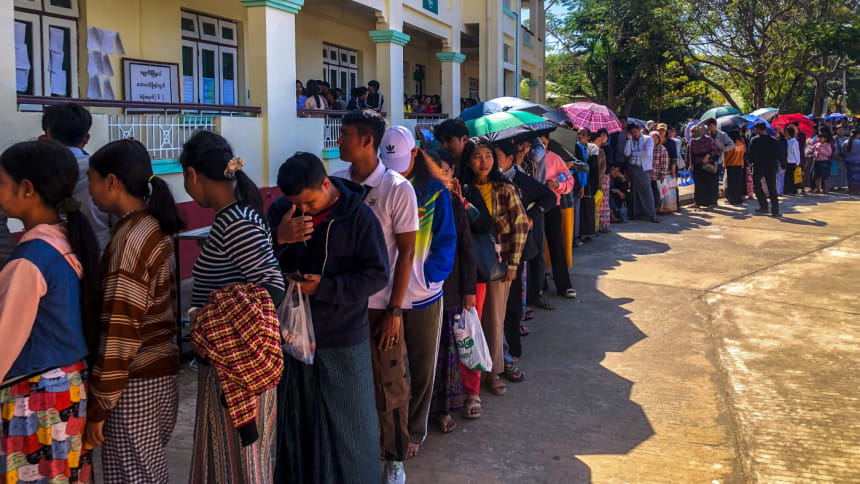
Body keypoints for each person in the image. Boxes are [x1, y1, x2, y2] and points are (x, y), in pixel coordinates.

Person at [268, 152, 388, 484]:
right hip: (292, 337)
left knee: (349, 427)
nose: (303, 210)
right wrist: (280, 239)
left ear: (325, 184)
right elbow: (260, 265)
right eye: (296, 204)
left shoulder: (358, 216)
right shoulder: (283, 211)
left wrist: (327, 288)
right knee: (299, 422)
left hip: (342, 337)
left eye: (308, 202)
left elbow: (377, 275)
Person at [181, 131, 285, 484]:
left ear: (193, 174)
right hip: (229, 368)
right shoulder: (233, 217)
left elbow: (272, 288)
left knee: (242, 466)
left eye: (185, 178)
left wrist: (212, 319)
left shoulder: (237, 222)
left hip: (238, 372)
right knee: (229, 463)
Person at [82, 139, 185, 483]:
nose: (91, 190)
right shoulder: (150, 227)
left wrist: (101, 403)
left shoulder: (130, 239)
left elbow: (120, 331)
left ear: (112, 182)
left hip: (136, 384)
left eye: (93, 180)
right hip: (159, 376)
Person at [0, 140, 100, 484]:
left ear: (27, 189)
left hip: (35, 396)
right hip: (67, 391)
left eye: (1, 182)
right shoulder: (65, 240)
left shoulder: (30, 261)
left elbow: (3, 344)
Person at [332, 110, 418, 483]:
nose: (339, 139)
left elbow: (406, 254)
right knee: (346, 385)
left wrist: (395, 310)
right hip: (341, 304)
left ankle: (394, 457)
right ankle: (354, 454)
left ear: (367, 140)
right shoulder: (334, 183)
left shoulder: (397, 188)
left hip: (381, 305)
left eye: (346, 133)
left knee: (390, 384)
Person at [378, 126, 456, 458]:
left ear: (414, 154)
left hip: (424, 296)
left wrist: (429, 277)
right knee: (389, 369)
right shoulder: (378, 186)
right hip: (383, 296)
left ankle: (414, 429)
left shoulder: (436, 191)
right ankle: (388, 429)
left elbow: (446, 239)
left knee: (422, 367)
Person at [460, 138, 530, 398]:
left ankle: (493, 373)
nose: (484, 161)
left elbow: (521, 225)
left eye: (488, 155)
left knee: (493, 321)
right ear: (468, 161)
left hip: (498, 264)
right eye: (478, 156)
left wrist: (513, 263)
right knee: (469, 323)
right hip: (469, 264)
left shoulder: (504, 188)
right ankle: (469, 378)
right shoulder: (463, 189)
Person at [495, 139, 554, 383]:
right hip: (494, 250)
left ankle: (513, 352)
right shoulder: (486, 182)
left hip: (516, 250)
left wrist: (530, 216)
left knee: (511, 303)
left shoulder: (521, 180)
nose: (489, 161)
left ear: (510, 159)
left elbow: (549, 197)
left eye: (495, 156)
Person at [426, 149, 476, 427]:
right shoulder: (414, 197)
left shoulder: (455, 204)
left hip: (451, 287)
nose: (438, 175)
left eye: (443, 170)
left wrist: (469, 288)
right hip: (418, 290)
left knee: (446, 350)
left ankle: (444, 409)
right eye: (433, 169)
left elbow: (467, 248)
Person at [41, 103, 112, 251]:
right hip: (100, 257)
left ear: (46, 135)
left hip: (51, 259)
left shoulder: (33, 170)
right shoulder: (105, 171)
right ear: (86, 138)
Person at [541, 136, 577, 299]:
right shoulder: (526, 159)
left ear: (548, 143)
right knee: (535, 248)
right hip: (532, 207)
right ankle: (538, 284)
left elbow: (569, 179)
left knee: (556, 245)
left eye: (544, 143)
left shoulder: (555, 159)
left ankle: (564, 285)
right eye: (537, 142)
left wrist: (557, 185)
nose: (540, 146)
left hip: (552, 206)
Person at [748, 121, 786, 217]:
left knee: (757, 186)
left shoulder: (754, 140)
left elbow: (750, 154)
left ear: (757, 129)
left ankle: (764, 205)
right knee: (772, 188)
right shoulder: (774, 141)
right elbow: (781, 154)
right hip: (771, 167)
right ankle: (775, 210)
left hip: (758, 166)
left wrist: (749, 163)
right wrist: (783, 165)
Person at [623, 123, 660, 222]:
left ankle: (651, 214)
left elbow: (647, 153)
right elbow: (626, 153)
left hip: (643, 169)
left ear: (639, 129)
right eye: (632, 133)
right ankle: (636, 214)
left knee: (647, 191)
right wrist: (629, 140)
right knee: (634, 191)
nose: (634, 134)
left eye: (635, 132)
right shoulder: (631, 140)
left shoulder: (648, 139)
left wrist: (633, 154)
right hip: (632, 168)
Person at [687, 125, 721, 209]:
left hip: (708, 165)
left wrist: (708, 156)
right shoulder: (692, 141)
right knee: (698, 184)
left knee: (709, 184)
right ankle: (698, 202)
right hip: (697, 164)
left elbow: (715, 150)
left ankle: (711, 203)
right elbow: (691, 154)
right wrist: (691, 164)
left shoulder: (708, 140)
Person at [723, 131, 747, 205]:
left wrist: (724, 164)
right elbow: (744, 152)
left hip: (731, 165)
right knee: (738, 183)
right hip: (739, 165)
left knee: (731, 184)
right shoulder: (741, 144)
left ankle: (732, 199)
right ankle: (738, 199)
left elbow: (727, 156)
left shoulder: (731, 145)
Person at [650, 131, 669, 211]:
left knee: (657, 192)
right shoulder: (648, 148)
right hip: (649, 175)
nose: (654, 140)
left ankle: (657, 209)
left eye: (656, 138)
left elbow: (664, 163)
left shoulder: (662, 149)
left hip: (657, 175)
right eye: (652, 138)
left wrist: (662, 174)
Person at [784, 126, 802, 196]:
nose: (785, 134)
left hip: (792, 161)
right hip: (786, 161)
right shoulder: (786, 141)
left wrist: (797, 162)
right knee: (787, 177)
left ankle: (792, 190)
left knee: (791, 177)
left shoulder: (794, 141)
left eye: (786, 132)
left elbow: (796, 152)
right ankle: (787, 190)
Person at [843, 128, 860, 195]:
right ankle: (857, 189)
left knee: (850, 176)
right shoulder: (859, 142)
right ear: (857, 135)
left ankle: (851, 189)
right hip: (858, 161)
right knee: (858, 176)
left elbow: (843, 151)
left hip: (849, 161)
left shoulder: (845, 142)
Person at [832, 126, 848, 191]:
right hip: (834, 158)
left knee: (842, 172)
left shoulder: (847, 139)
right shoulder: (833, 139)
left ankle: (841, 185)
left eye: (842, 130)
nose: (841, 132)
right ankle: (833, 185)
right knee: (834, 172)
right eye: (839, 130)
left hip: (843, 158)